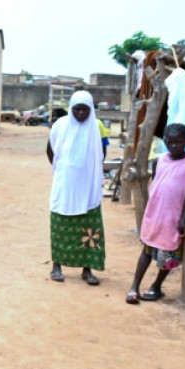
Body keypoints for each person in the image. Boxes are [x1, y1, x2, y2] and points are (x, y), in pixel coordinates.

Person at [125, 124, 185, 304]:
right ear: (164, 141)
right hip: (155, 214)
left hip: (173, 216)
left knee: (168, 254)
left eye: (178, 142)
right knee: (147, 250)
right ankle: (134, 287)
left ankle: (156, 286)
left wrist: (183, 218)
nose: (174, 146)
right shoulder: (160, 160)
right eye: (170, 142)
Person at [46, 90, 106, 285]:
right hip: (66, 185)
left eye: (85, 110)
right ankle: (57, 266)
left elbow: (101, 154)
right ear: (71, 109)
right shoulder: (60, 125)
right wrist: (61, 170)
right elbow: (50, 150)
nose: (80, 113)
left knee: (88, 229)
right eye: (77, 109)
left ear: (91, 110)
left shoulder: (95, 128)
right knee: (61, 227)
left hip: (88, 188)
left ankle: (87, 270)